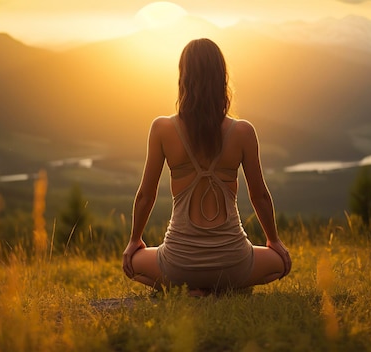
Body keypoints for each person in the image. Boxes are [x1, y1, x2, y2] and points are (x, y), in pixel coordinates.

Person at [122, 38, 291, 295]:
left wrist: (135, 240)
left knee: (133, 263)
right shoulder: (243, 132)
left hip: (177, 265)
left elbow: (146, 195)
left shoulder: (162, 129)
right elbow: (260, 195)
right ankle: (224, 286)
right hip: (234, 262)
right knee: (280, 264)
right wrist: (274, 241)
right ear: (221, 78)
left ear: (184, 78)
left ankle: (187, 290)